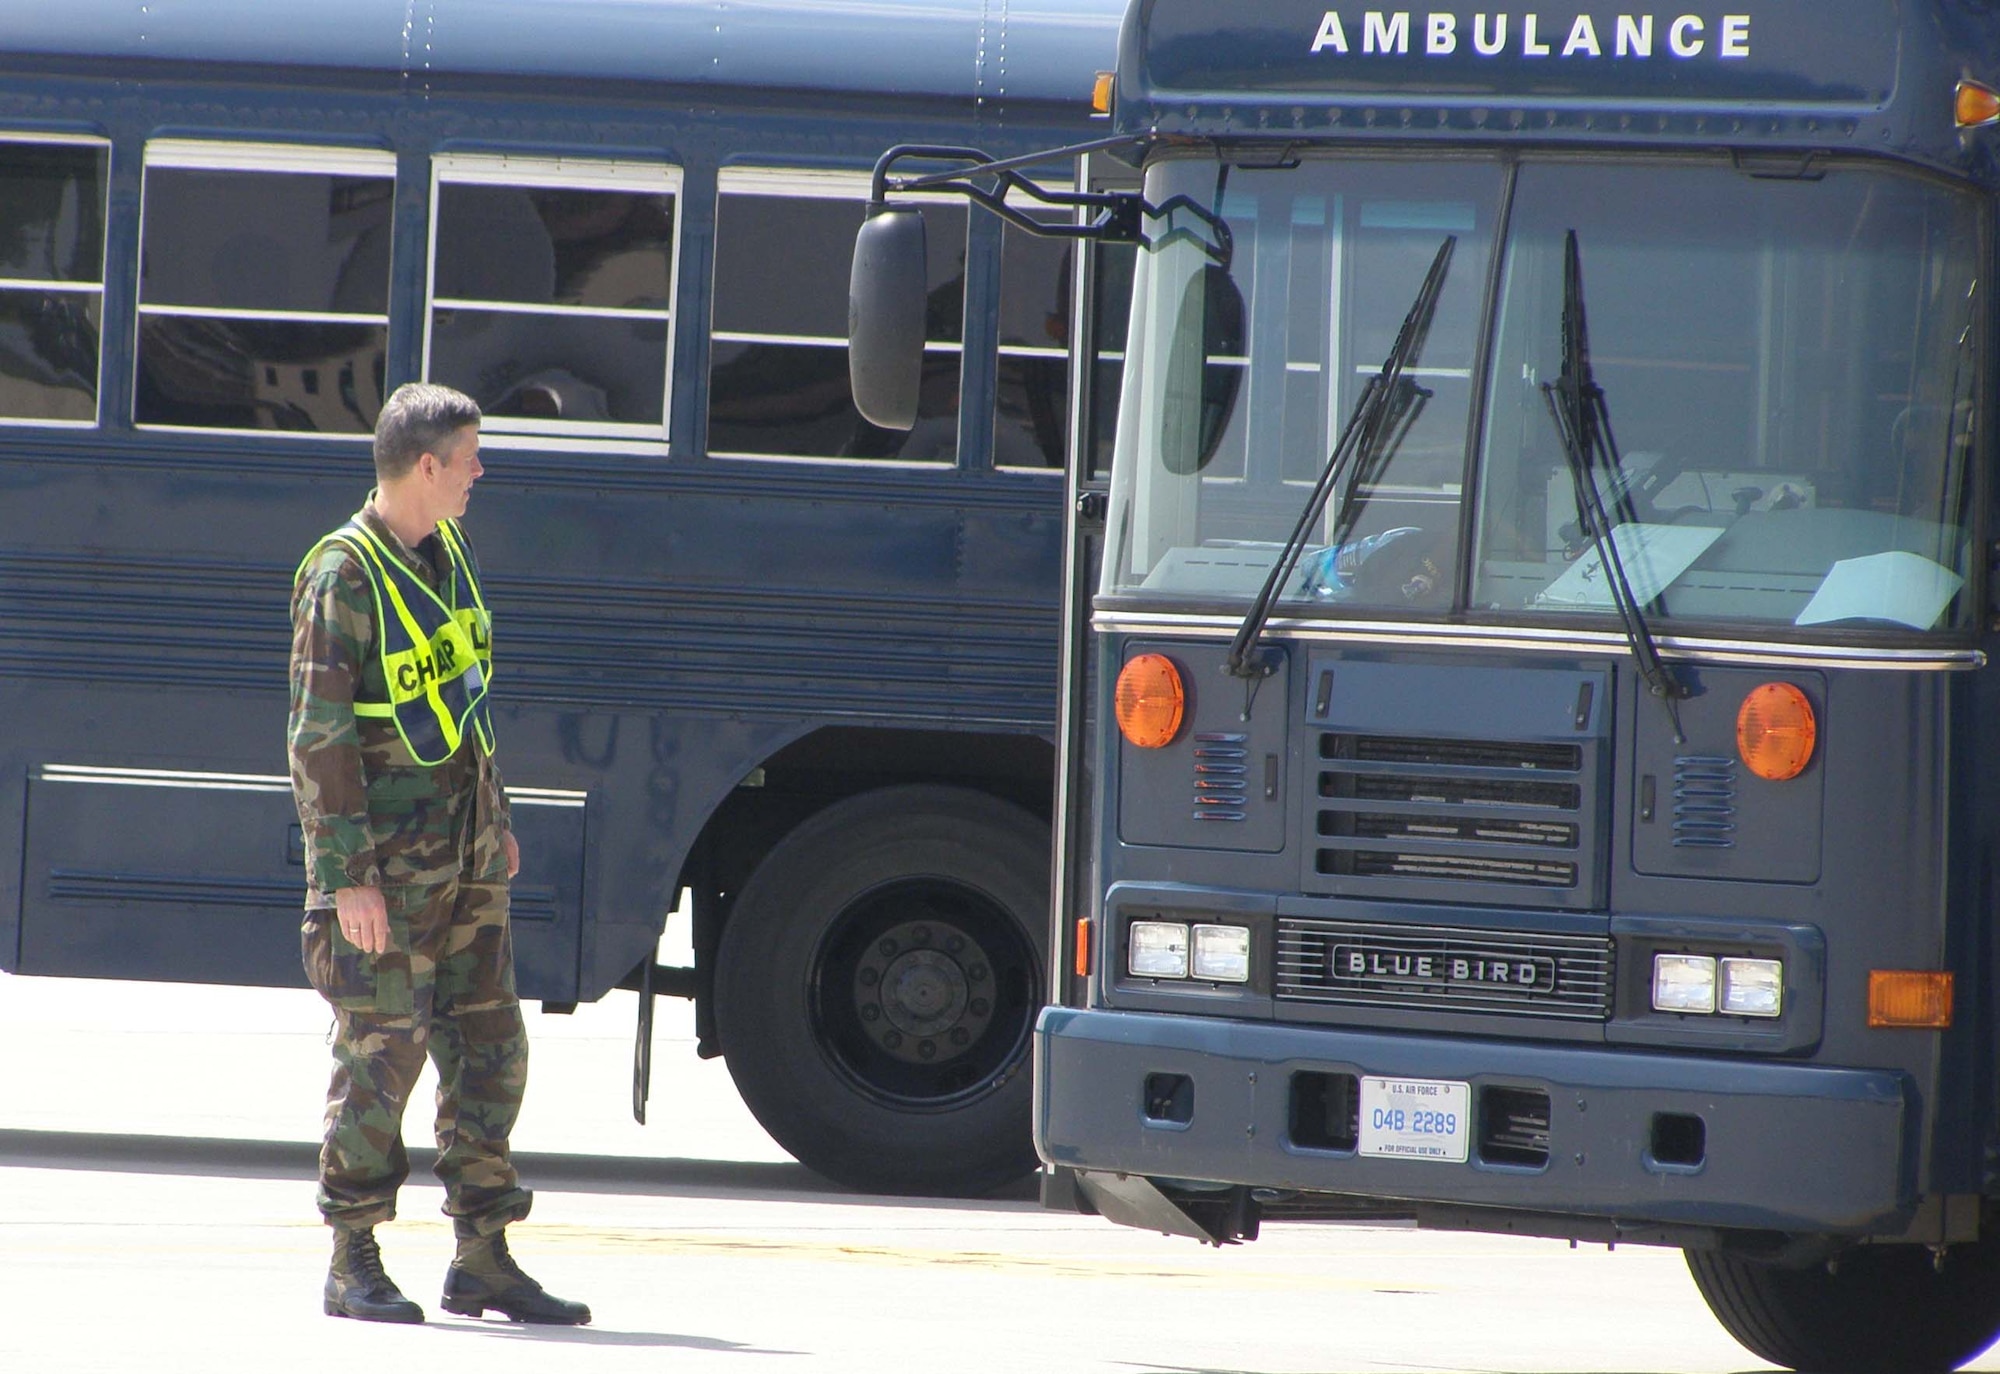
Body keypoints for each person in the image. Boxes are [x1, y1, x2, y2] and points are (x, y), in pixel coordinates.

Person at [287, 381, 589, 1326]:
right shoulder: (345, 574)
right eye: (469, 458)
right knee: (382, 1056)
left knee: (492, 1048)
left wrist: (493, 816)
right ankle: (354, 1255)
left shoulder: (447, 551)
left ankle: (484, 1256)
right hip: (385, 870)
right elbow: (317, 738)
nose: (480, 472)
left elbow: (464, 703)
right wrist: (348, 881)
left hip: (463, 858)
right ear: (426, 466)